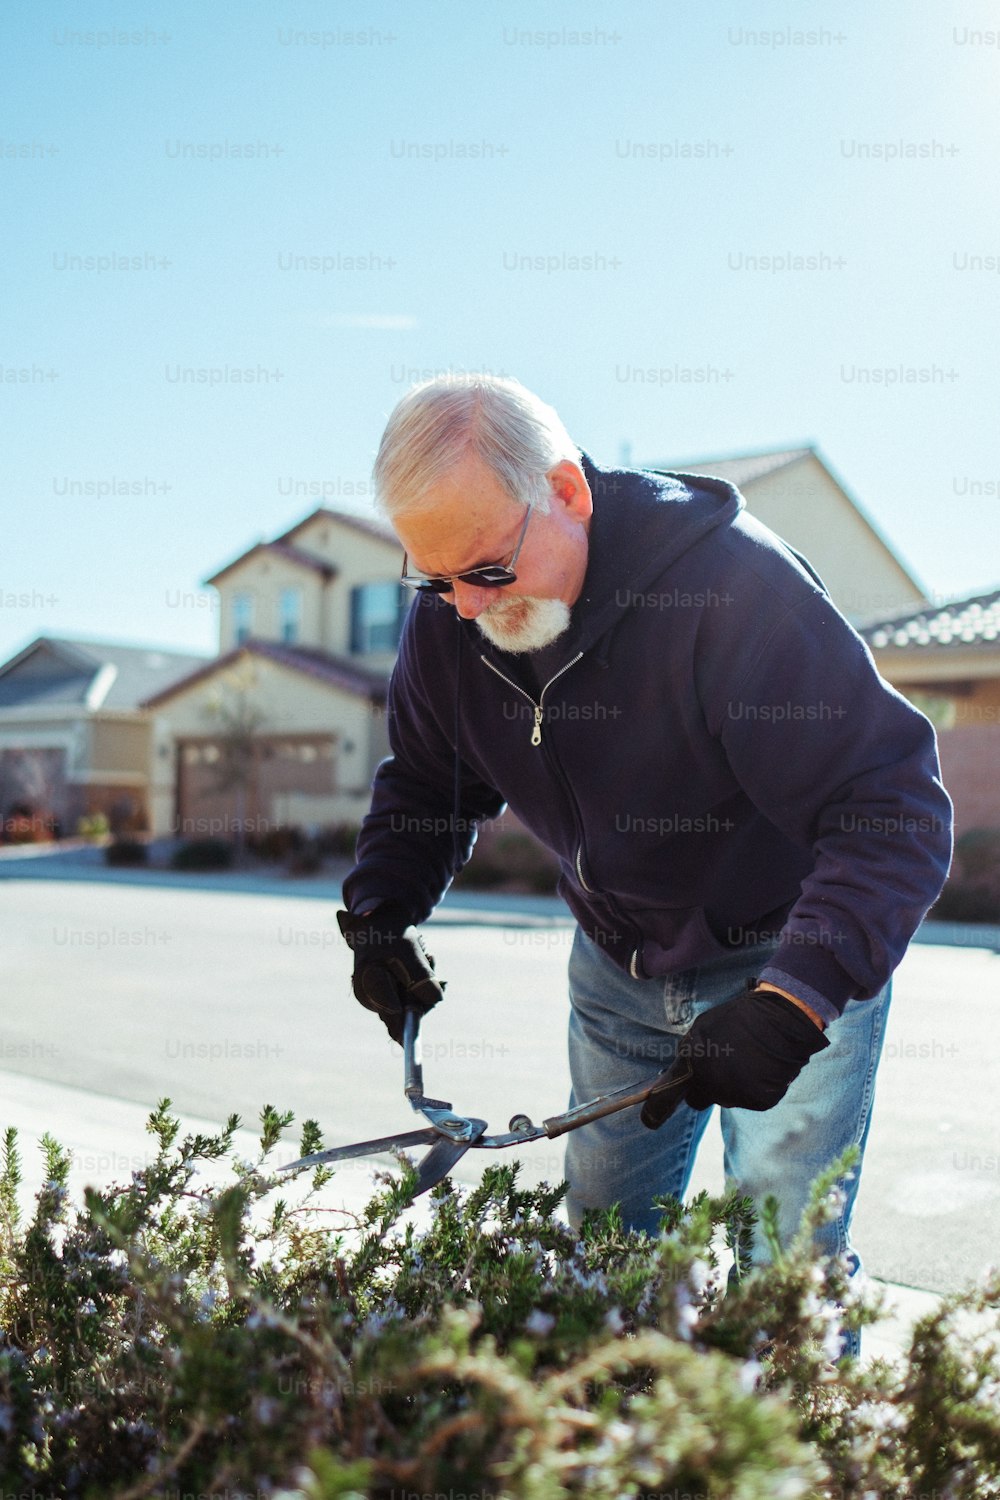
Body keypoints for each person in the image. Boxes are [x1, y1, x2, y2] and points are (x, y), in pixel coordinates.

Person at [338, 374, 952, 1350]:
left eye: (488, 570)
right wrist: (379, 912)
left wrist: (794, 1000)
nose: (459, 607)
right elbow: (428, 780)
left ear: (568, 494)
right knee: (609, 1264)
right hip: (616, 977)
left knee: (784, 1272)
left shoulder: (729, 589)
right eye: (433, 579)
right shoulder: (453, 621)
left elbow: (891, 808)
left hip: (783, 959)